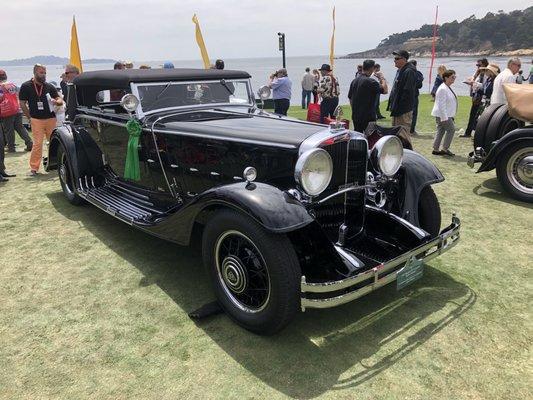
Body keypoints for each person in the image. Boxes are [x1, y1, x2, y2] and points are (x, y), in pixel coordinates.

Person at [18, 64, 64, 176]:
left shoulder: (49, 86)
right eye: (41, 72)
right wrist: (29, 117)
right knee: (37, 144)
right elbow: (22, 103)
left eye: (45, 73)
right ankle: (34, 169)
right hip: (36, 119)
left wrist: (58, 101)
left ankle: (58, 165)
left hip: (51, 118)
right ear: (35, 72)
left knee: (55, 143)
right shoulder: (26, 86)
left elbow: (59, 98)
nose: (43, 75)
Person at [348, 59, 388, 132]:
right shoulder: (371, 81)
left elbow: (350, 98)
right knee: (370, 137)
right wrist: (382, 78)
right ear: (372, 68)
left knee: (358, 137)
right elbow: (385, 91)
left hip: (356, 115)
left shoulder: (354, 81)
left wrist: (354, 109)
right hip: (368, 116)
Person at [0, 70, 33, 153]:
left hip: (6, 111)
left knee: (9, 130)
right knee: (20, 127)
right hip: (17, 108)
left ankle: (11, 147)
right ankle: (29, 143)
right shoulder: (12, 84)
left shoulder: (0, 87)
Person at [387, 50, 417, 132]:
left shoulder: (409, 71)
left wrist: (400, 108)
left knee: (402, 134)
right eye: (394, 58)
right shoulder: (402, 70)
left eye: (397, 58)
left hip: (402, 110)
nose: (394, 60)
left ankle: (406, 146)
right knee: (396, 133)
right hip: (398, 109)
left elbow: (407, 92)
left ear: (404, 59)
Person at [431, 70, 457, 157]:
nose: (454, 79)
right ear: (446, 78)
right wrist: (444, 117)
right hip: (443, 115)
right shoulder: (443, 88)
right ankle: (445, 149)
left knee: (441, 130)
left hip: (444, 114)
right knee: (451, 130)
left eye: (454, 77)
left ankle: (435, 149)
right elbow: (441, 104)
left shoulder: (446, 87)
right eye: (452, 77)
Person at [462, 59, 489, 137]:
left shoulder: (486, 74)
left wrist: (474, 83)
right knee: (472, 115)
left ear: (484, 65)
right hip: (475, 97)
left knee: (479, 117)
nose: (478, 67)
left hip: (482, 98)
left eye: (479, 65)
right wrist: (471, 81)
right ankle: (468, 132)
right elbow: (473, 80)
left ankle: (477, 133)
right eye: (477, 65)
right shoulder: (477, 73)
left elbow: (485, 87)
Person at [410, 60, 424, 135]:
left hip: (408, 95)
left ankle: (408, 129)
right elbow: (420, 85)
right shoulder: (418, 73)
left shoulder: (404, 72)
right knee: (414, 113)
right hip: (414, 95)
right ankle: (412, 130)